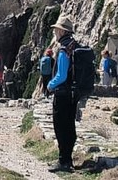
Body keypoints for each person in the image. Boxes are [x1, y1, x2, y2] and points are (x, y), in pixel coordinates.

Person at [46, 17, 80, 173]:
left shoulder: (63, 50)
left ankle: (63, 161)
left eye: (56, 29)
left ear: (62, 31)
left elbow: (61, 75)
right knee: (69, 125)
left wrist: (50, 85)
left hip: (62, 94)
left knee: (60, 127)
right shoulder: (75, 46)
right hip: (73, 93)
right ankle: (68, 159)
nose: (55, 31)